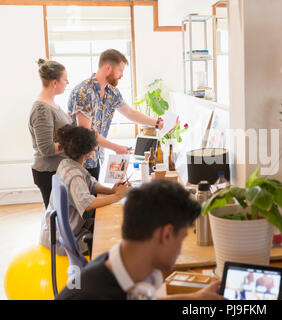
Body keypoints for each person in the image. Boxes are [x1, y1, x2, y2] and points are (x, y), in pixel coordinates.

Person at [56, 180, 224, 300]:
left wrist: (197, 297)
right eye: (181, 239)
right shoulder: (94, 294)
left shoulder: (124, 265)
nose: (180, 249)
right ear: (165, 235)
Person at [68, 49, 164, 180]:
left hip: (96, 158)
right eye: (120, 71)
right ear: (108, 68)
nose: (121, 75)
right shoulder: (84, 92)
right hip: (79, 160)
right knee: (85, 200)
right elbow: (86, 132)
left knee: (95, 196)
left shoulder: (111, 92)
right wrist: (116, 147)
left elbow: (130, 112)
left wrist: (156, 123)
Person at [39, 125, 131, 256]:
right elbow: (87, 204)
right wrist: (116, 197)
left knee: (107, 225)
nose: (95, 149)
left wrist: (111, 191)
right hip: (63, 240)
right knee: (112, 241)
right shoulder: (74, 175)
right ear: (87, 151)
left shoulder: (67, 164)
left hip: (60, 229)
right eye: (94, 147)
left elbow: (90, 184)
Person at [29, 59, 73, 208]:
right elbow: (46, 149)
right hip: (48, 172)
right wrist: (74, 142)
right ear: (54, 83)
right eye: (65, 79)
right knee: (56, 219)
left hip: (58, 169)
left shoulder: (53, 105)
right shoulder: (42, 110)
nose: (67, 82)